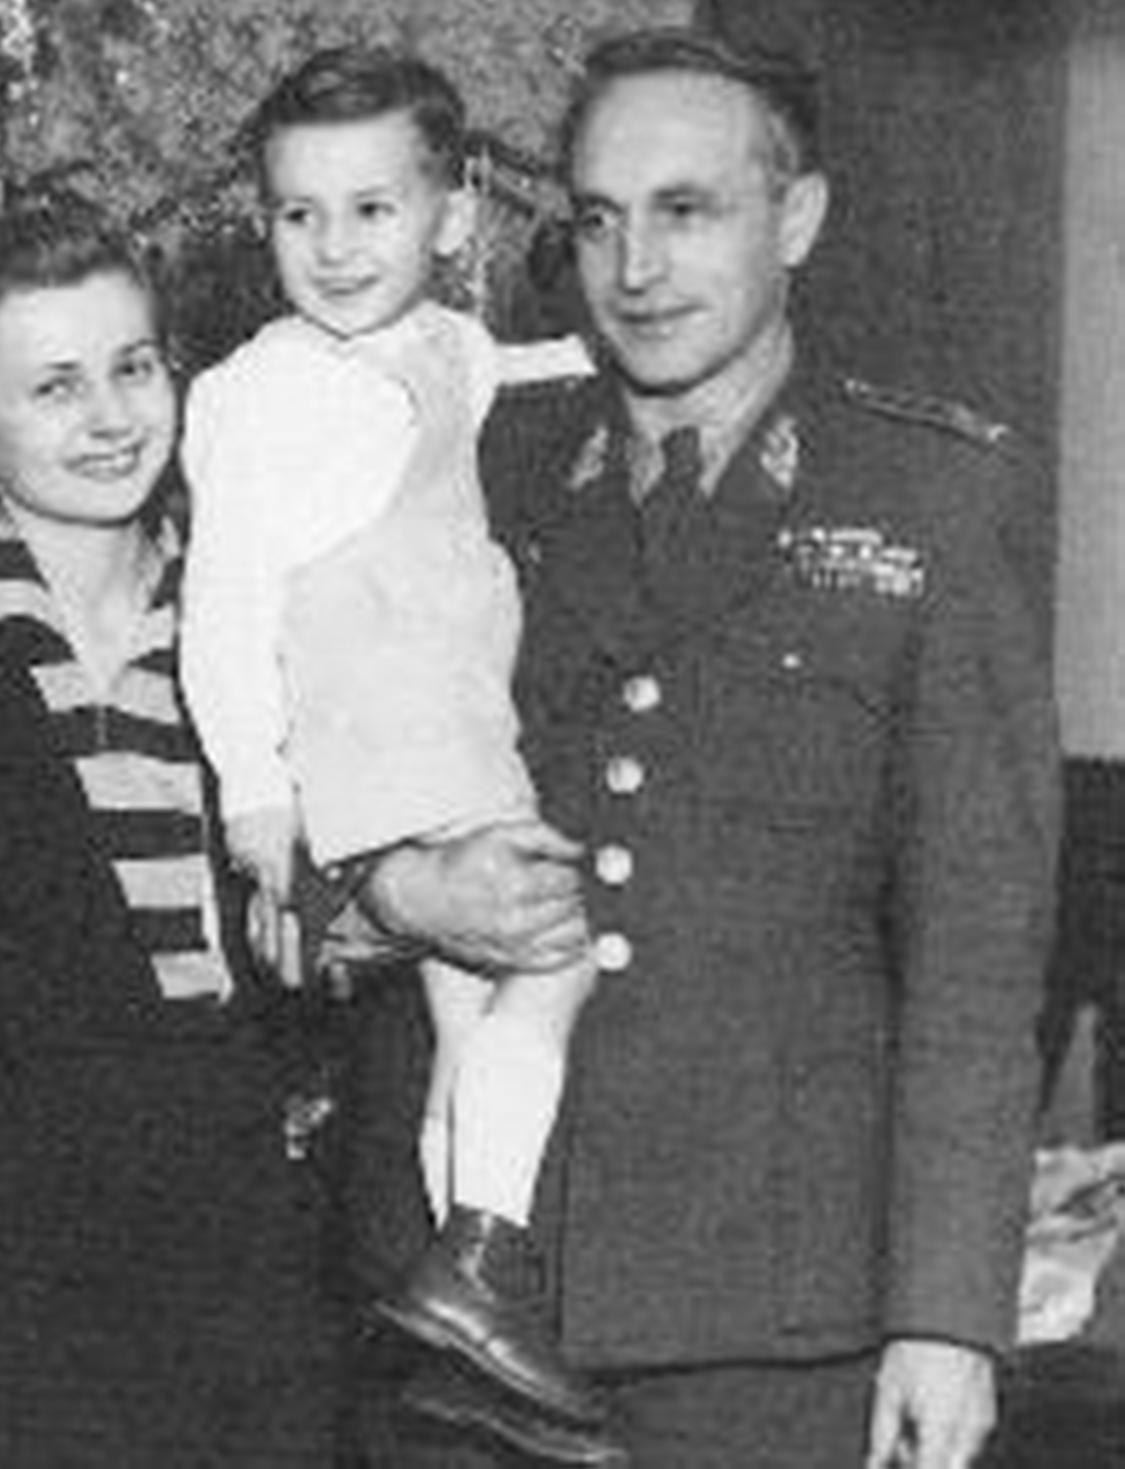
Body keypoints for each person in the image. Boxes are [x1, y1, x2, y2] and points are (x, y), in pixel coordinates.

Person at [343, 26, 1060, 1469]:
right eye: (599, 219)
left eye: (687, 211)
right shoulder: (473, 461)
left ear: (796, 219)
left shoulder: (929, 498)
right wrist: (389, 895)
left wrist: (947, 1318)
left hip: (770, 1309)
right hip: (472, 1296)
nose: (637, 268)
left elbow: (976, 954)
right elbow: (308, 734)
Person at [179, 42, 606, 1442]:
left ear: (451, 215)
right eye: (298, 214)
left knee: (461, 1017)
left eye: (372, 209)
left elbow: (508, 372)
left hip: (449, 720)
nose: (334, 246)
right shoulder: (259, 390)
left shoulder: (451, 347)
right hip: (391, 736)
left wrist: (609, 351)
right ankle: (481, 1255)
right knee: (553, 954)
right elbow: (226, 602)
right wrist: (258, 792)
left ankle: (461, 1306)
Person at [0, 197, 340, 1468]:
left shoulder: (252, 618)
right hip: (4, 1260)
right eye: (53, 386)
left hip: (237, 1234)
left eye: (133, 368)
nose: (110, 417)